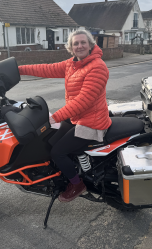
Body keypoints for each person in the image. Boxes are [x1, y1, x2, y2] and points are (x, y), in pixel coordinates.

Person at [18, 30, 112, 202]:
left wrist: (55, 117)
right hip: (77, 117)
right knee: (49, 140)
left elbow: (84, 101)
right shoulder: (72, 64)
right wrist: (17, 70)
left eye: (83, 42)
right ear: (71, 48)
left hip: (92, 122)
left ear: (91, 45)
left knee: (57, 152)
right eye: (75, 43)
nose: (79, 46)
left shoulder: (98, 67)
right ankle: (64, 174)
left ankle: (77, 184)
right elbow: (47, 69)